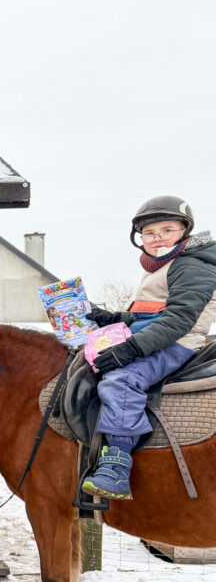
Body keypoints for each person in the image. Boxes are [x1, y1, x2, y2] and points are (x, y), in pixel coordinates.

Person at [83, 196, 216, 500]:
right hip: (154, 335)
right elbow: (150, 314)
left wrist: (130, 350)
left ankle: (117, 465)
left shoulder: (192, 264)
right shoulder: (162, 264)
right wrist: (113, 318)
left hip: (177, 342)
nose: (157, 238)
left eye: (167, 230)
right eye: (150, 233)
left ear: (185, 231)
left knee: (122, 380)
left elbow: (178, 319)